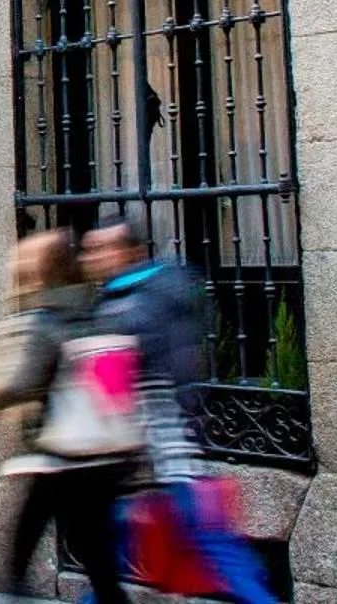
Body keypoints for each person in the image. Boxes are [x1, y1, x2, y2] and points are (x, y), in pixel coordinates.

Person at [83, 220, 275, 604]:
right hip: (142, 454)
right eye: (91, 249)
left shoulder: (135, 301)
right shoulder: (134, 295)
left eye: (104, 248)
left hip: (166, 449)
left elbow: (117, 380)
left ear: (131, 251)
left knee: (212, 543)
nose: (94, 257)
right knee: (115, 547)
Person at [0, 229, 135, 604]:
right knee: (96, 557)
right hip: (107, 454)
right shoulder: (97, 311)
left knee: (21, 549)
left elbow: (19, 385)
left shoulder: (44, 321)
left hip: (61, 458)